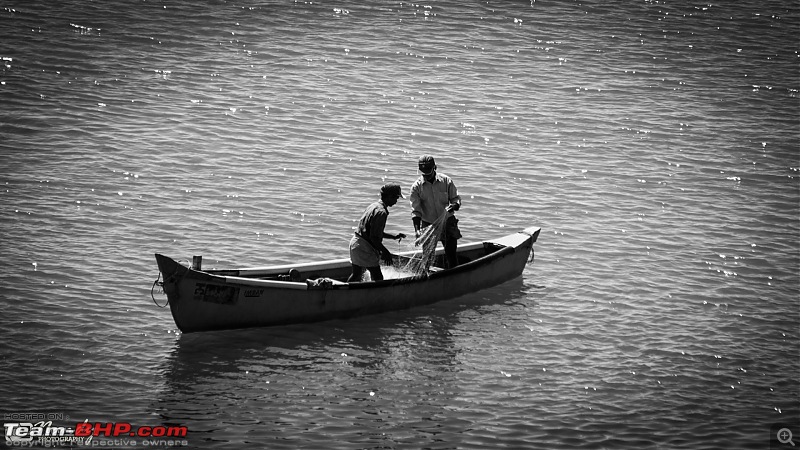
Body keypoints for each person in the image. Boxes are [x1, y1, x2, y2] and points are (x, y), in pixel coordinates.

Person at [409, 155, 462, 268]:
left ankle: (454, 276)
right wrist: (417, 231)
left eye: (429, 172)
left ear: (435, 168)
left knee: (451, 254)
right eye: (424, 173)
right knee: (427, 257)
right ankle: (427, 278)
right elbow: (415, 211)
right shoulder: (416, 187)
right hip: (428, 225)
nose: (427, 176)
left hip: (447, 222)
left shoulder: (446, 181)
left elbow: (456, 199)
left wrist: (453, 206)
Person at [348, 183, 407, 282]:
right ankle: (376, 295)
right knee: (377, 276)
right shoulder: (381, 212)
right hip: (364, 246)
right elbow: (374, 238)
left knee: (356, 274)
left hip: (355, 243)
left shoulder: (374, 206)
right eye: (396, 197)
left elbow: (373, 231)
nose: (396, 201)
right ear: (388, 197)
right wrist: (385, 252)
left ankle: (345, 293)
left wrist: (394, 237)